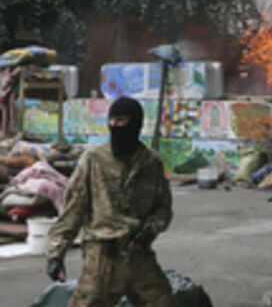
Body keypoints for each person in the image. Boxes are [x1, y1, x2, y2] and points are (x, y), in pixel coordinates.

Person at [45, 96, 175, 307]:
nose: (115, 126)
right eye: (112, 120)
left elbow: (163, 207)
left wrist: (149, 232)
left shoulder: (151, 163)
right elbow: (73, 209)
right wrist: (56, 254)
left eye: (121, 120)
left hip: (138, 256)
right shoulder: (94, 160)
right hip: (102, 259)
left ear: (136, 123)